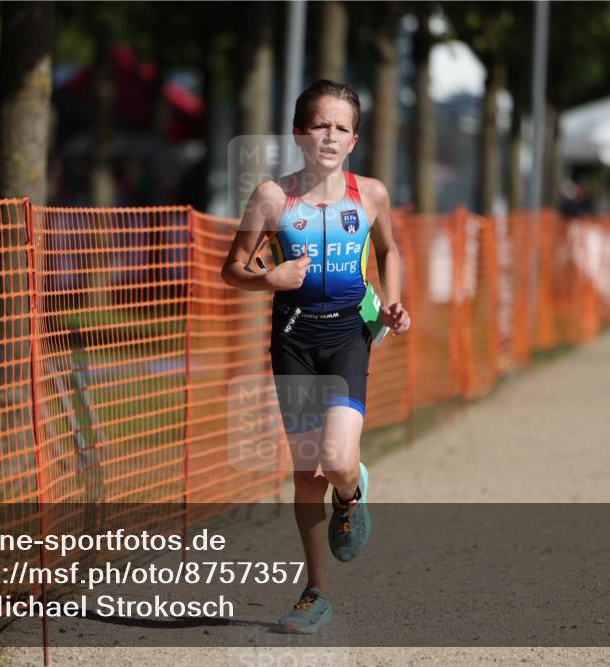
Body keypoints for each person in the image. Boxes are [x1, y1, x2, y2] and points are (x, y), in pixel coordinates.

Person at [220, 80, 410, 634]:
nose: (329, 135)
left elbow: (389, 250)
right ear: (300, 133)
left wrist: (394, 304)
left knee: (337, 462)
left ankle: (353, 491)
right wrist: (268, 278)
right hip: (293, 341)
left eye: (341, 127)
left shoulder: (369, 194)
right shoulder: (271, 198)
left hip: (348, 335)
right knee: (307, 475)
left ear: (354, 140)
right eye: (319, 124)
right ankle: (315, 592)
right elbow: (232, 268)